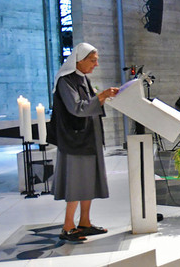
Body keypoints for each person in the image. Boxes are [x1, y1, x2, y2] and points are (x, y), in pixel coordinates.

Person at [51, 43, 118, 242]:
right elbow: (77, 108)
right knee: (76, 183)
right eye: (93, 60)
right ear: (79, 60)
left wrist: (103, 98)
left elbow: (90, 104)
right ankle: (68, 226)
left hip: (88, 139)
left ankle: (85, 223)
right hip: (75, 141)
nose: (96, 64)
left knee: (87, 181)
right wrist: (102, 95)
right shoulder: (66, 81)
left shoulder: (83, 79)